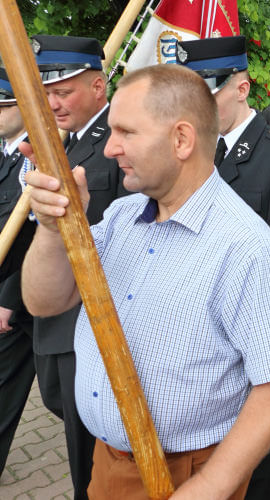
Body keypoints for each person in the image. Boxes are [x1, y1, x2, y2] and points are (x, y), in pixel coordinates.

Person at [21, 64, 270, 500]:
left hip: (184, 476)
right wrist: (53, 224)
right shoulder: (119, 217)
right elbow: (45, 301)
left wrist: (210, 486)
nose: (110, 148)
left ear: (181, 139)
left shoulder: (247, 248)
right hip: (105, 462)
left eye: (126, 132)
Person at [175, 36, 270, 499]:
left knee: (253, 474)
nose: (196, 106)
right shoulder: (194, 156)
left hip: (247, 358)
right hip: (196, 351)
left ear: (240, 88)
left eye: (208, 92)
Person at [31, 34, 127, 499]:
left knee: (88, 456)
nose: (52, 102)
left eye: (63, 90)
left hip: (93, 322)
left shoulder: (120, 141)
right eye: (46, 92)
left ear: (98, 86)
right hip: (57, 316)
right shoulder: (65, 142)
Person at [0, 69, 36, 479]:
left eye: (4, 105)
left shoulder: (35, 154)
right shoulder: (5, 151)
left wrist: (7, 300)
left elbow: (30, 233)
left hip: (19, 299)